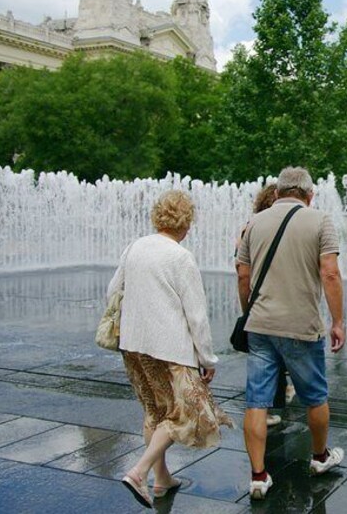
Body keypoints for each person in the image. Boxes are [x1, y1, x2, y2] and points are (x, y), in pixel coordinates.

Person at [112, 190, 231, 509]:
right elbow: (196, 315)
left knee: (155, 411)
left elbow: (114, 291)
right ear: (186, 223)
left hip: (133, 344)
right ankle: (139, 472)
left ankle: (162, 478)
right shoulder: (180, 257)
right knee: (185, 413)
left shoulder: (134, 247)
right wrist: (206, 358)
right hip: (169, 348)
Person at [237, 166, 346, 500]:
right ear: (309, 194)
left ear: (277, 192)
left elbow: (243, 274)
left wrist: (248, 313)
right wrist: (338, 321)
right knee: (315, 395)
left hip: (260, 325)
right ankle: (319, 457)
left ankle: (258, 476)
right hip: (300, 325)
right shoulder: (319, 220)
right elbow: (330, 273)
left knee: (256, 400)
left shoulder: (254, 222)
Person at [236, 183, 295, 428]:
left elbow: (241, 271)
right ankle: (272, 404)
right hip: (282, 302)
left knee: (262, 360)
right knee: (279, 355)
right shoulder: (286, 228)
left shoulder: (248, 228)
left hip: (257, 302)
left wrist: (246, 305)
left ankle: (267, 407)